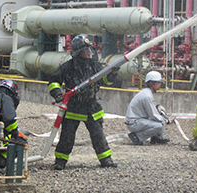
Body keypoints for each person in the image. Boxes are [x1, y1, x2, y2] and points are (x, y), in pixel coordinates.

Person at [48, 35, 118, 170]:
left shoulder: (95, 66)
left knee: (98, 135)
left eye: (90, 50)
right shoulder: (68, 67)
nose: (89, 53)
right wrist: (57, 94)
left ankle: (106, 160)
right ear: (78, 52)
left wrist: (111, 75)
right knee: (67, 137)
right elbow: (54, 81)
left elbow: (105, 81)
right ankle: (60, 161)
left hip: (91, 106)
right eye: (86, 50)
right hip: (73, 107)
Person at [125, 71, 170, 145]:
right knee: (159, 125)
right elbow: (153, 115)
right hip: (134, 123)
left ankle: (155, 138)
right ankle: (137, 137)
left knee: (160, 122)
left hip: (137, 120)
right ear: (152, 83)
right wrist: (166, 120)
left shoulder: (147, 93)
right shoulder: (147, 96)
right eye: (158, 82)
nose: (160, 84)